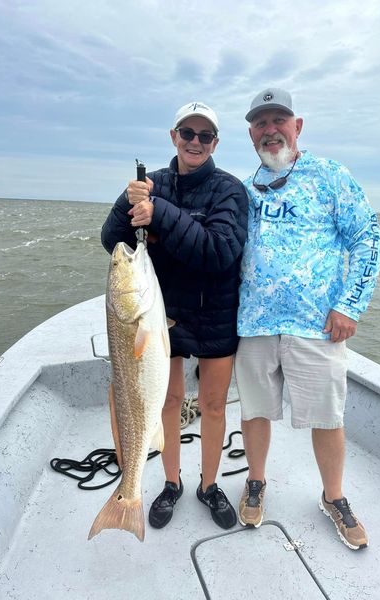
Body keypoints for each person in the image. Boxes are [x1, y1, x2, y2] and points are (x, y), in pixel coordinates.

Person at [234, 87, 380, 550]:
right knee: (255, 411)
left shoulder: (330, 175)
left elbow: (368, 239)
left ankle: (333, 497)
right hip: (255, 324)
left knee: (327, 417)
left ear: (297, 127)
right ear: (251, 134)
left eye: (279, 120)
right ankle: (256, 482)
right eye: (261, 122)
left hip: (316, 325)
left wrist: (349, 305)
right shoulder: (244, 188)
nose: (270, 129)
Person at [101, 101, 248, 531]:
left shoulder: (229, 190)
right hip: (163, 314)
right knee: (166, 400)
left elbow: (220, 251)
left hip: (217, 312)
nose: (195, 142)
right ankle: (170, 483)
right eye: (188, 133)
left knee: (213, 404)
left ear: (215, 143)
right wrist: (129, 206)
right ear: (174, 137)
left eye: (205, 136)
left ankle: (208, 484)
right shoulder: (152, 184)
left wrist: (160, 213)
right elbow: (114, 241)